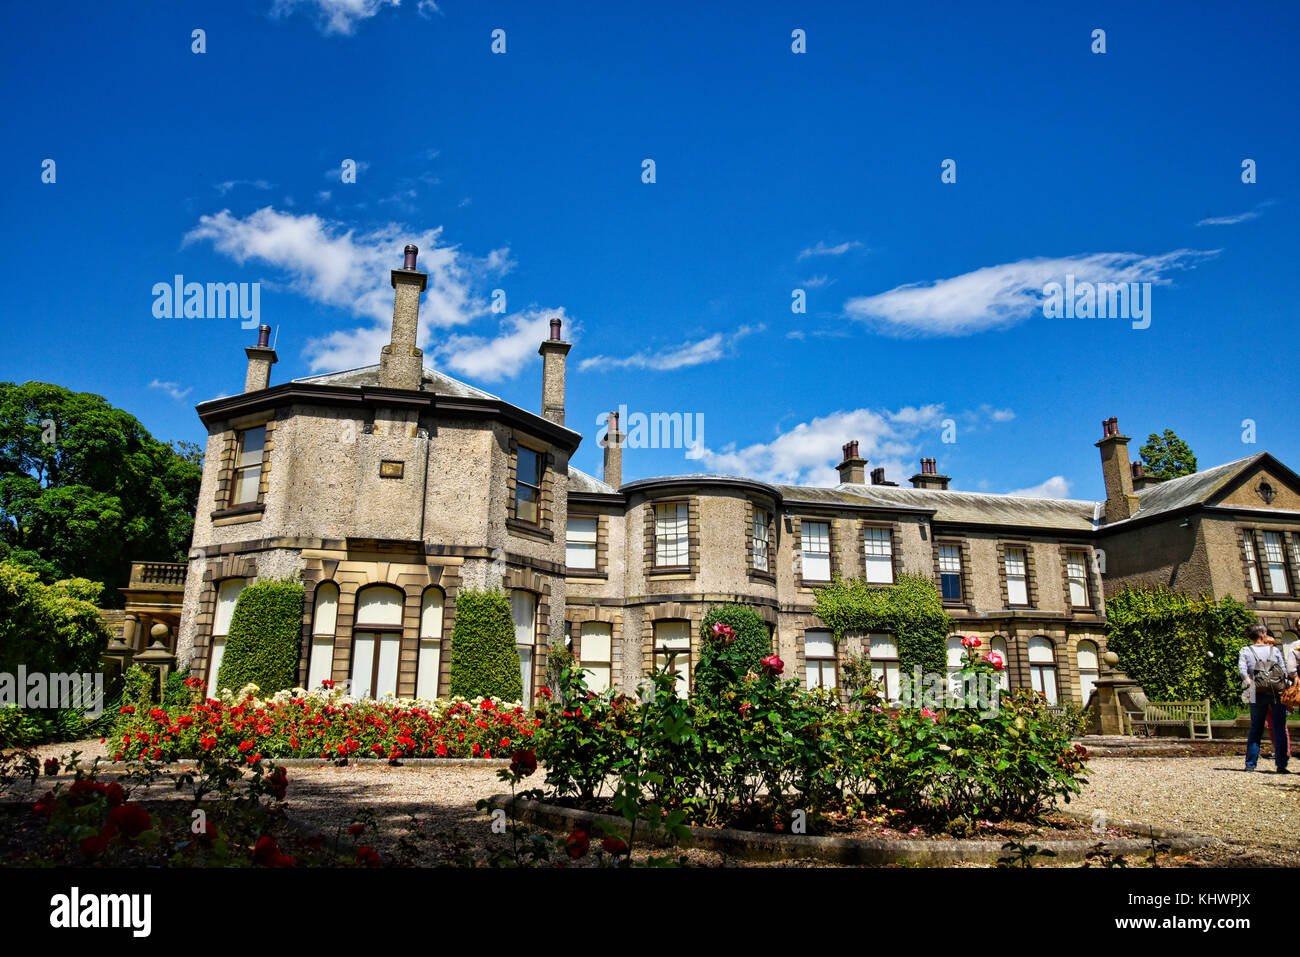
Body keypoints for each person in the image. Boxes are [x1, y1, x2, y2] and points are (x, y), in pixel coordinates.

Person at [1239, 624, 1291, 773]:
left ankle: (1250, 764)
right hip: (1276, 692)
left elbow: (1242, 670)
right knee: (1279, 727)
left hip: (1256, 692)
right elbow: (1284, 671)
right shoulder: (1273, 650)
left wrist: (1251, 685)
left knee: (1256, 728)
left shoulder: (1245, 650)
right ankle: (1281, 765)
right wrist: (1285, 688)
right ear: (1262, 634)